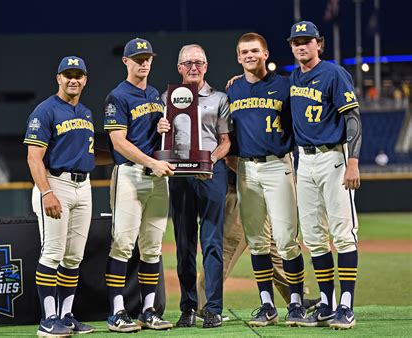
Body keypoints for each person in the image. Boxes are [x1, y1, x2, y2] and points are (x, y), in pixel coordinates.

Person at [226, 32, 306, 327]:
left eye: (254, 51)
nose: (249, 55)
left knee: (286, 240)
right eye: (244, 51)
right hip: (247, 169)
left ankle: (296, 303)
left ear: (266, 53)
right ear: (238, 57)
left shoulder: (285, 86)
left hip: (277, 166)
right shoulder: (232, 90)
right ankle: (267, 305)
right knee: (258, 242)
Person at [288, 21, 362, 329]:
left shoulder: (334, 73)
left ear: (319, 43)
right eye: (296, 42)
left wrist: (354, 160)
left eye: (307, 41)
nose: (302, 46)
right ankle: (327, 302)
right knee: (315, 238)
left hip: (334, 157)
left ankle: (346, 305)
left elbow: (353, 118)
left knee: (342, 234)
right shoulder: (293, 77)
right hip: (304, 161)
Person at [157, 44, 231, 329]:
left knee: (212, 243)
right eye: (188, 63)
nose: (193, 67)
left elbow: (226, 142)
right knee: (184, 245)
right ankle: (187, 307)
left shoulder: (219, 99)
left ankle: (212, 309)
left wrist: (209, 161)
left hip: (212, 174)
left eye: (199, 62)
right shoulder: (167, 98)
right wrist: (161, 129)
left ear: (206, 66)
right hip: (179, 176)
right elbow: (163, 142)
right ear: (179, 68)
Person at [103, 37, 174, 333]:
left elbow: (156, 137)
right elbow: (118, 142)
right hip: (130, 174)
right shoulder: (117, 97)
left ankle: (148, 310)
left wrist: (161, 128)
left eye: (147, 57)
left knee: (152, 248)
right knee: (122, 244)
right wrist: (151, 162)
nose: (143, 62)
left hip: (157, 177)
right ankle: (117, 311)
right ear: (126, 61)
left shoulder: (157, 94)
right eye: (138, 58)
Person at [24, 56, 95, 336]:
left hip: (84, 186)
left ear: (85, 80)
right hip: (56, 184)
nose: (73, 79)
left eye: (78, 75)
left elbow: (83, 153)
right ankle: (48, 319)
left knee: (73, 257)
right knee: (52, 252)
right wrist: (47, 192)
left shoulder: (87, 113)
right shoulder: (45, 111)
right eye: (68, 75)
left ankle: (66, 317)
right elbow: (33, 157)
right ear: (59, 78)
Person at [196, 168, 320, 318]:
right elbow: (231, 159)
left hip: (260, 190)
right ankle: (203, 305)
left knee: (274, 247)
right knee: (227, 250)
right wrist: (258, 173)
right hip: (240, 192)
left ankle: (295, 299)